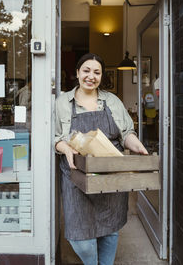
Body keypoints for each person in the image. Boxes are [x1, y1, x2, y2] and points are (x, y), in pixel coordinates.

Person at [55, 53, 148, 265]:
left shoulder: (112, 101)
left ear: (101, 75)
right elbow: (56, 138)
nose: (91, 76)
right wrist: (66, 148)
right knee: (81, 239)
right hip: (76, 178)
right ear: (77, 73)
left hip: (109, 176)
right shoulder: (62, 103)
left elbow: (126, 134)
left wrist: (138, 148)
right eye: (86, 70)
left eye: (96, 72)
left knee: (109, 230)